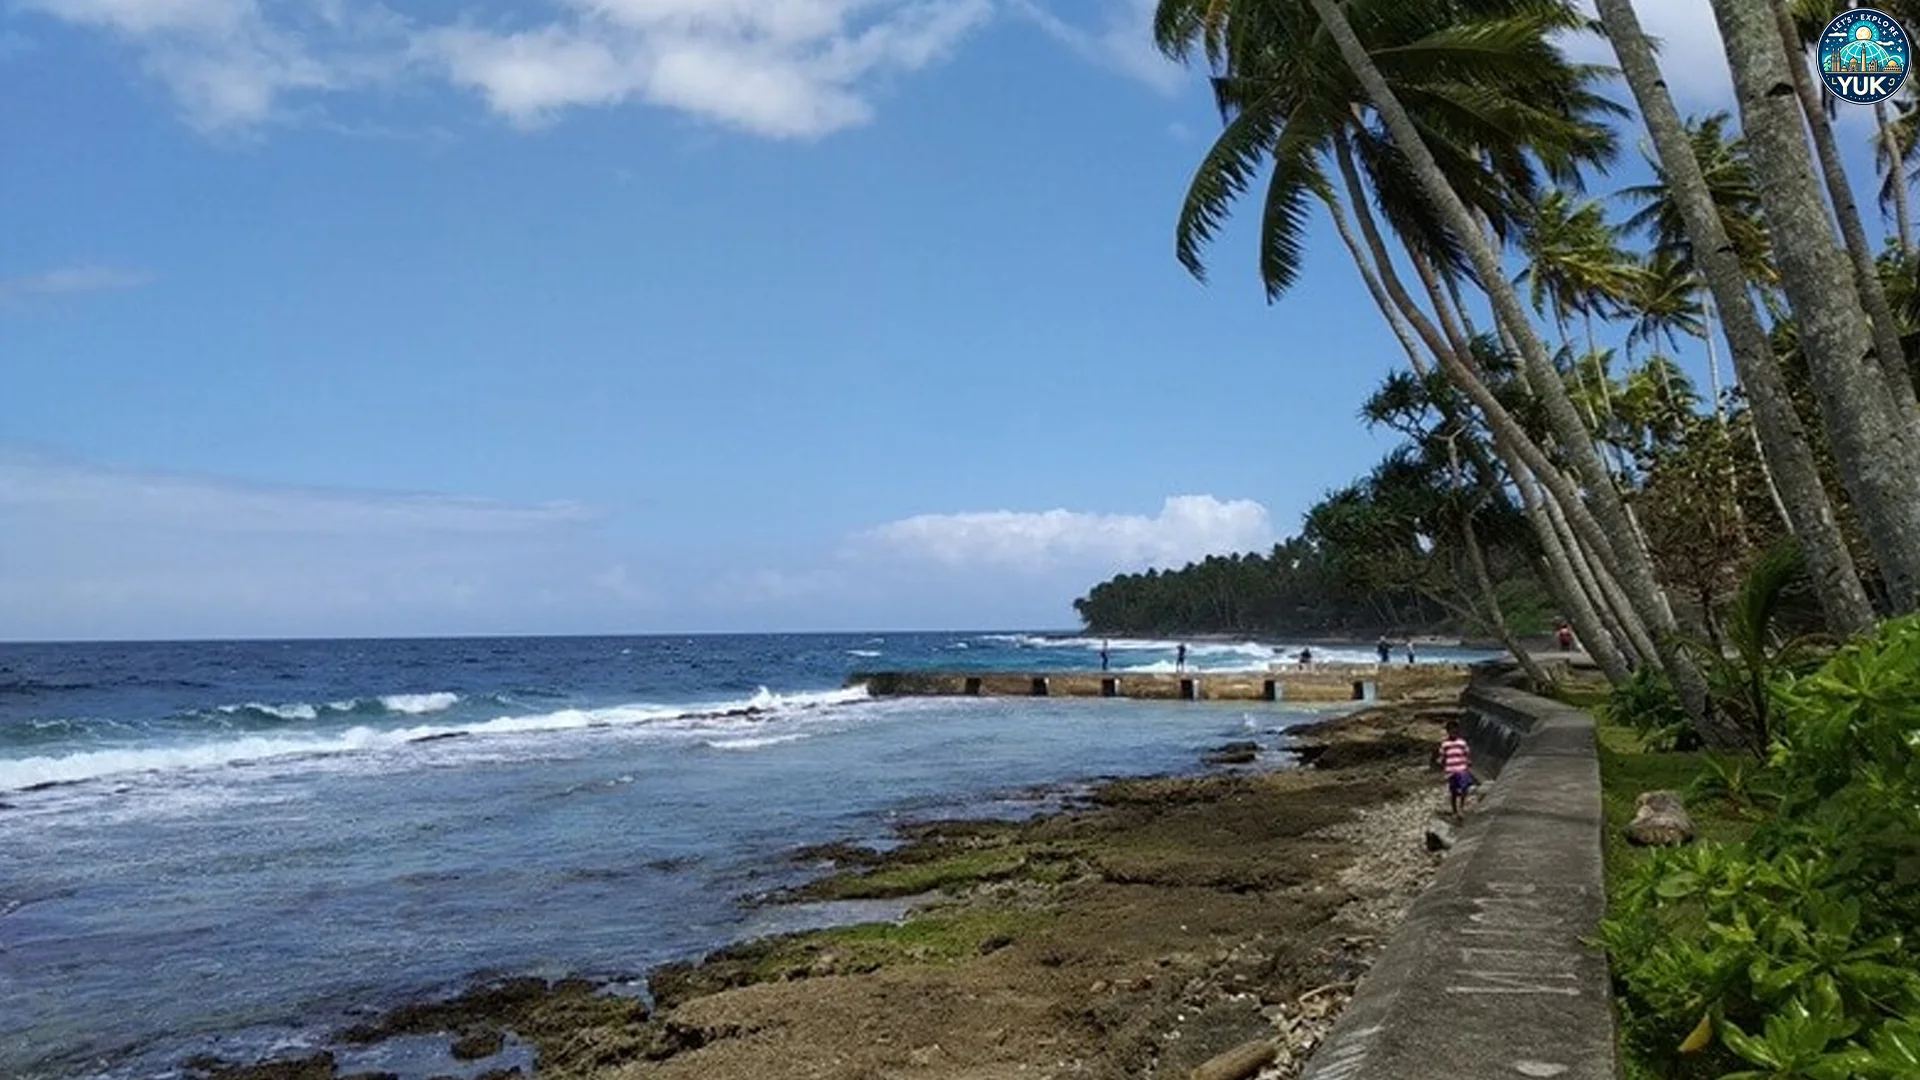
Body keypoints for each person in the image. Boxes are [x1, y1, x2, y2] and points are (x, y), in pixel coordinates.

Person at [1437, 719, 1476, 819]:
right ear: (1448, 731)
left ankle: (1461, 807)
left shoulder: (1462, 743)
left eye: (1455, 731)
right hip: (1451, 770)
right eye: (1451, 731)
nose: (1453, 733)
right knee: (1453, 791)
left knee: (1464, 787)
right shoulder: (1445, 744)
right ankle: (1454, 810)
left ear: (1457, 731)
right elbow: (1442, 756)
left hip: (1462, 769)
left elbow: (1466, 754)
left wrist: (1468, 761)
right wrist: (1441, 761)